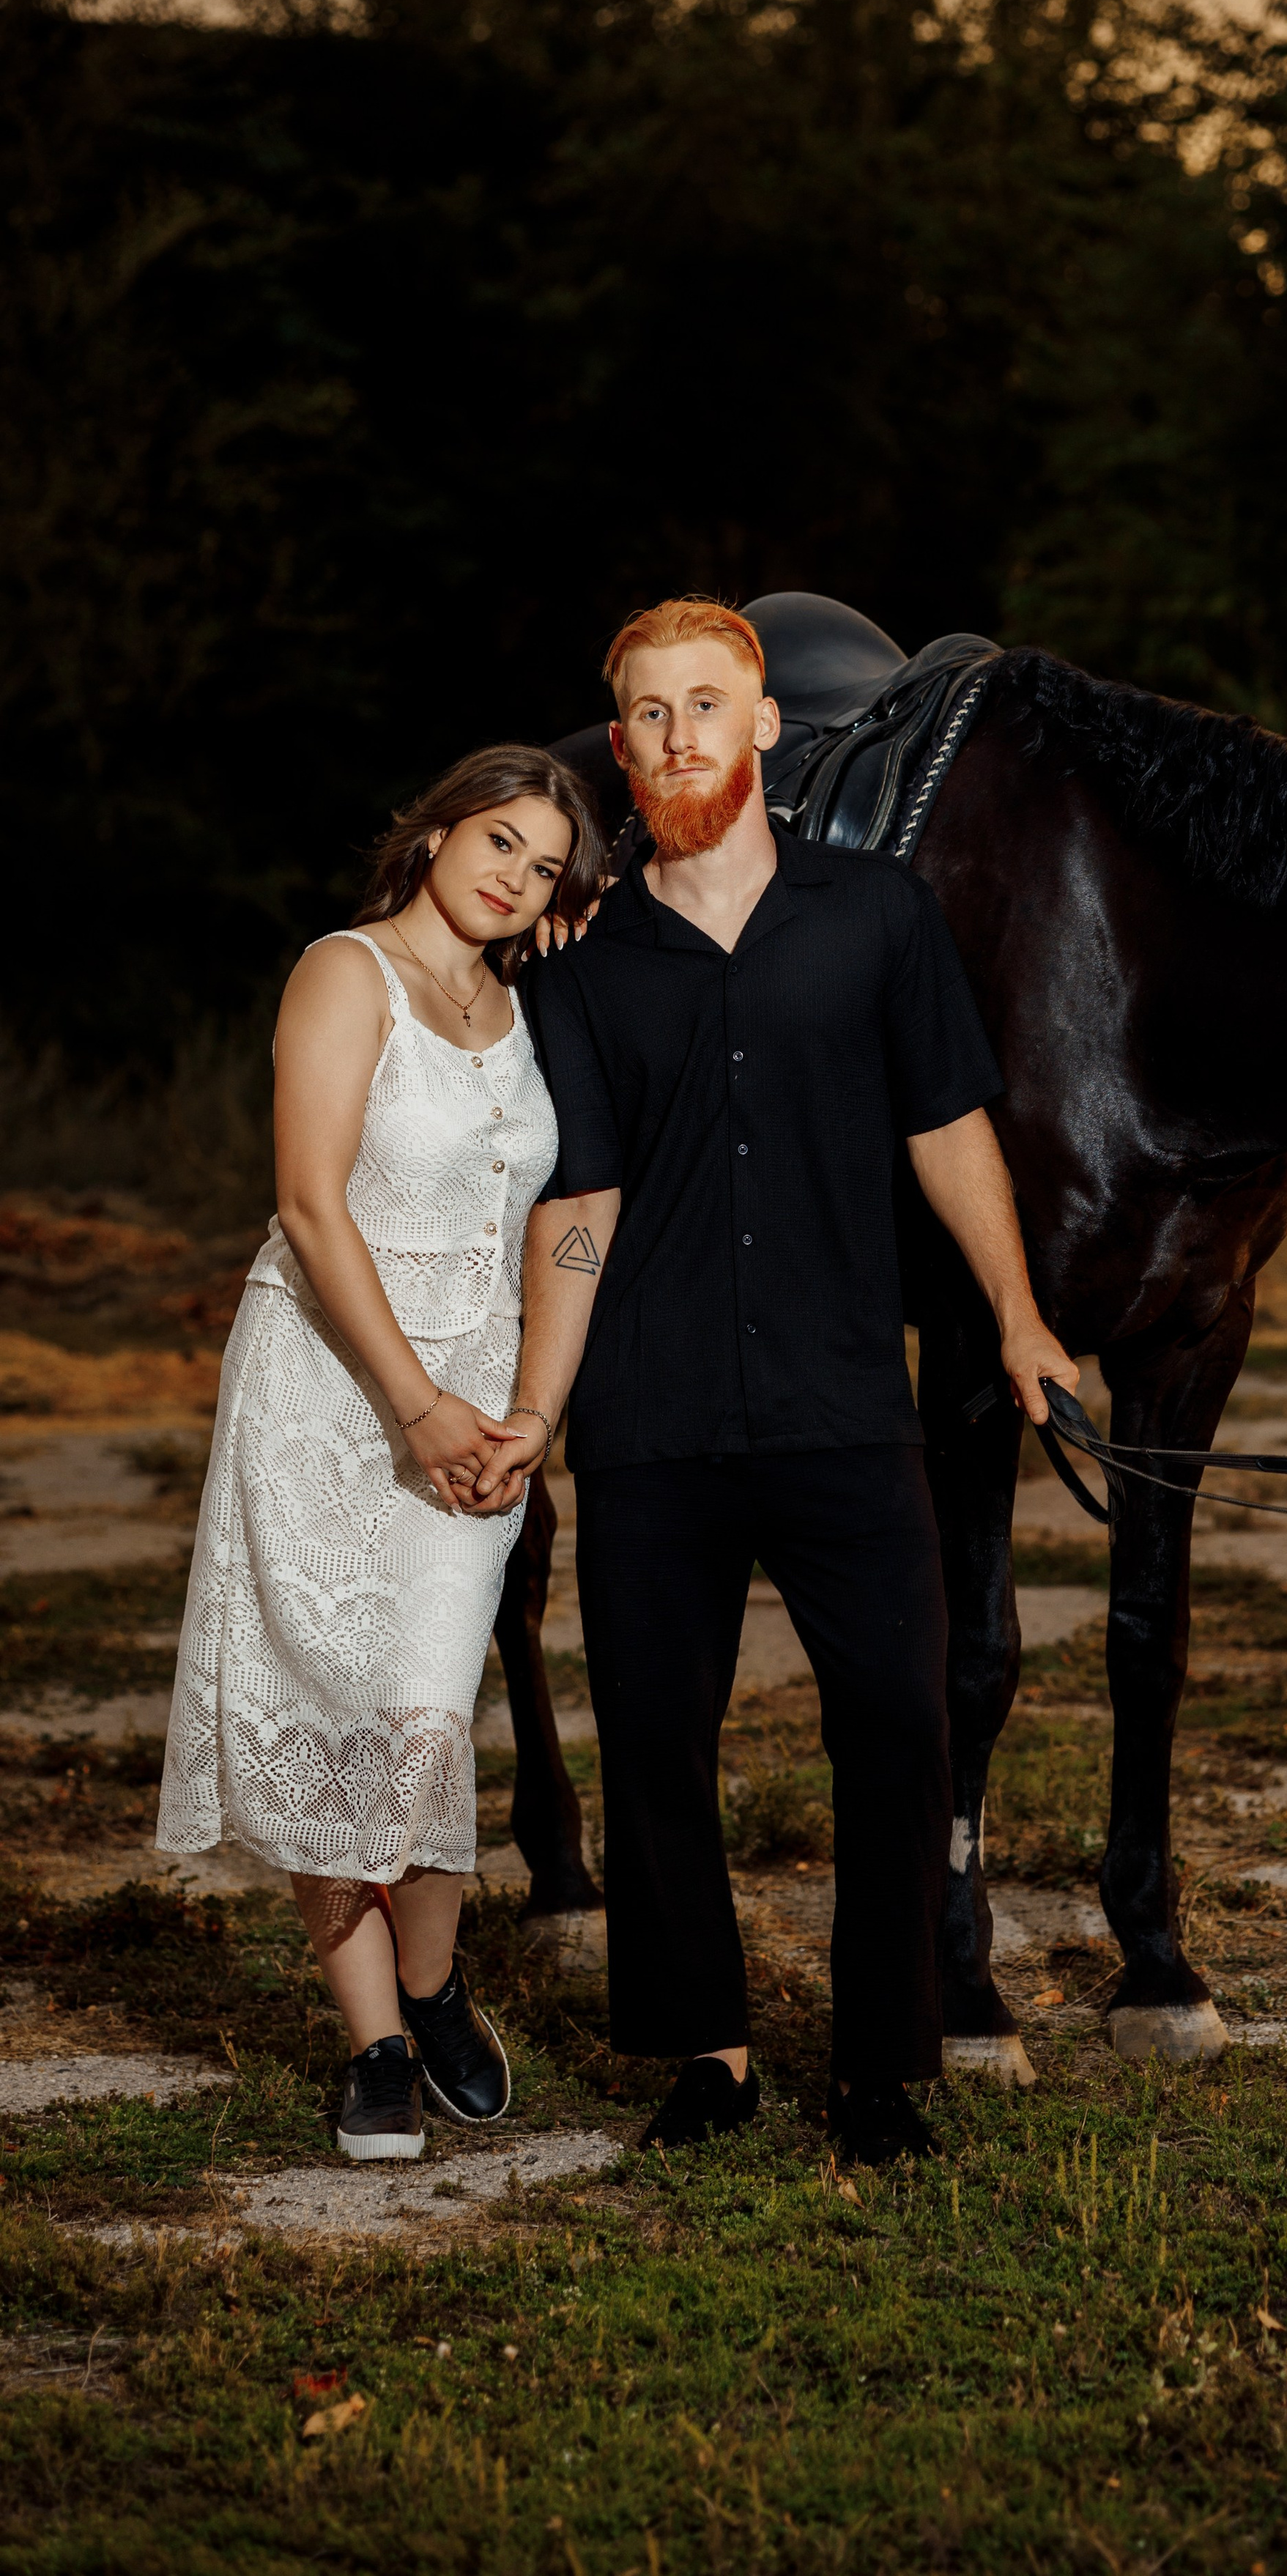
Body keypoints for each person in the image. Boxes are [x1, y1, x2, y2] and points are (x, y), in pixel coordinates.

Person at [470, 596, 1078, 2165]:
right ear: (621, 750)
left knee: (894, 1723)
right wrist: (542, 1406)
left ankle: (878, 2070)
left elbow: (947, 1129)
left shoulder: (876, 918)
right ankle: (710, 2056)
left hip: (838, 1402)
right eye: (648, 715)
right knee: (656, 1739)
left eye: (704, 704)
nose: (678, 735)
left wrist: (1014, 1316)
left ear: (763, 728)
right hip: (652, 1415)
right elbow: (579, 1200)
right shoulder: (582, 964)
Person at [156, 747, 606, 2162]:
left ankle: (432, 1971)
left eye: (542, 866)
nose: (512, 877)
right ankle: (382, 2043)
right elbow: (308, 1201)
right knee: (336, 1704)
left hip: (477, 1407)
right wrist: (411, 1403)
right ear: (434, 833)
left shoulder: (532, 1004)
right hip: (333, 1385)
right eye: (497, 841)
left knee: (421, 1708)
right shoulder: (345, 971)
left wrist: (528, 1409)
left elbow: (566, 1213)